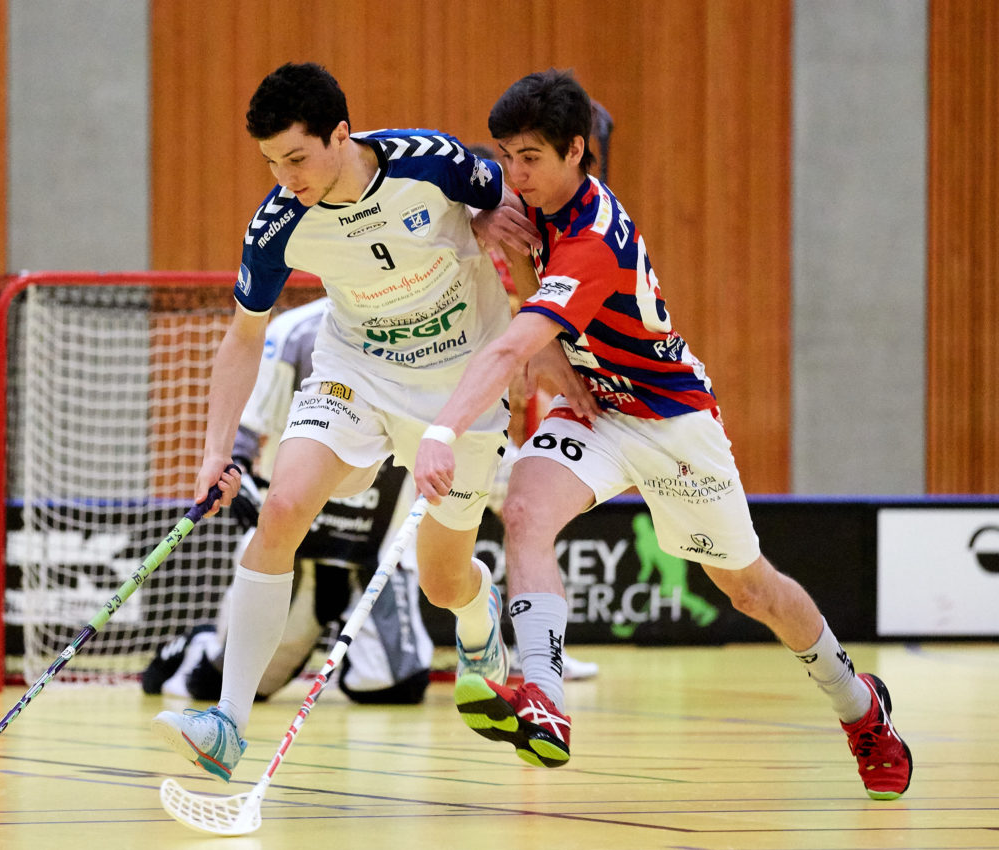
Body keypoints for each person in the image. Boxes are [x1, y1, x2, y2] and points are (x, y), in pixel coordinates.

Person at [414, 69, 912, 800]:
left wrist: (442, 430)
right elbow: (462, 188)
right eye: (507, 157)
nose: (514, 176)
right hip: (594, 410)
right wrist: (492, 229)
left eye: (530, 159)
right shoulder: (529, 197)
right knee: (522, 511)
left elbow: (511, 347)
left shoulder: (592, 237)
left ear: (577, 151)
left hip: (671, 420)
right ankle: (544, 696)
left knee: (750, 588)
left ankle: (860, 706)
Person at [152, 61, 539, 783]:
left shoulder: (430, 162)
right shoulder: (278, 223)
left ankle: (478, 612)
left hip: (460, 386)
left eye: (297, 158)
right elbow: (242, 337)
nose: (285, 178)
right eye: (272, 163)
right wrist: (214, 452)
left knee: (443, 582)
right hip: (355, 368)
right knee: (283, 507)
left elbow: (517, 206)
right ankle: (228, 723)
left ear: (340, 134)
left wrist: (490, 222)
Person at [142, 297, 435, 705]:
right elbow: (249, 422)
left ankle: (348, 647)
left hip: (374, 548)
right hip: (298, 545)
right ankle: (202, 644)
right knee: (220, 685)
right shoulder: (295, 332)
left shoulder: (433, 330)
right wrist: (237, 465)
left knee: (397, 686)